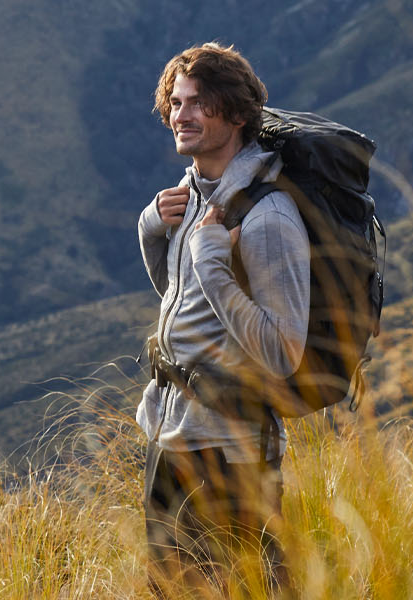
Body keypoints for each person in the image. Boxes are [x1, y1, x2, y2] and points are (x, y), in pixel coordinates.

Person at [136, 43, 309, 595]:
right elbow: (181, 302)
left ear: (235, 114)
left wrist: (211, 262)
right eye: (177, 102)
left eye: (199, 104)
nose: (180, 116)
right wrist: (151, 231)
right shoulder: (192, 197)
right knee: (171, 588)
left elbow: (284, 351)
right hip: (173, 432)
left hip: (230, 448)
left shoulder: (267, 217)